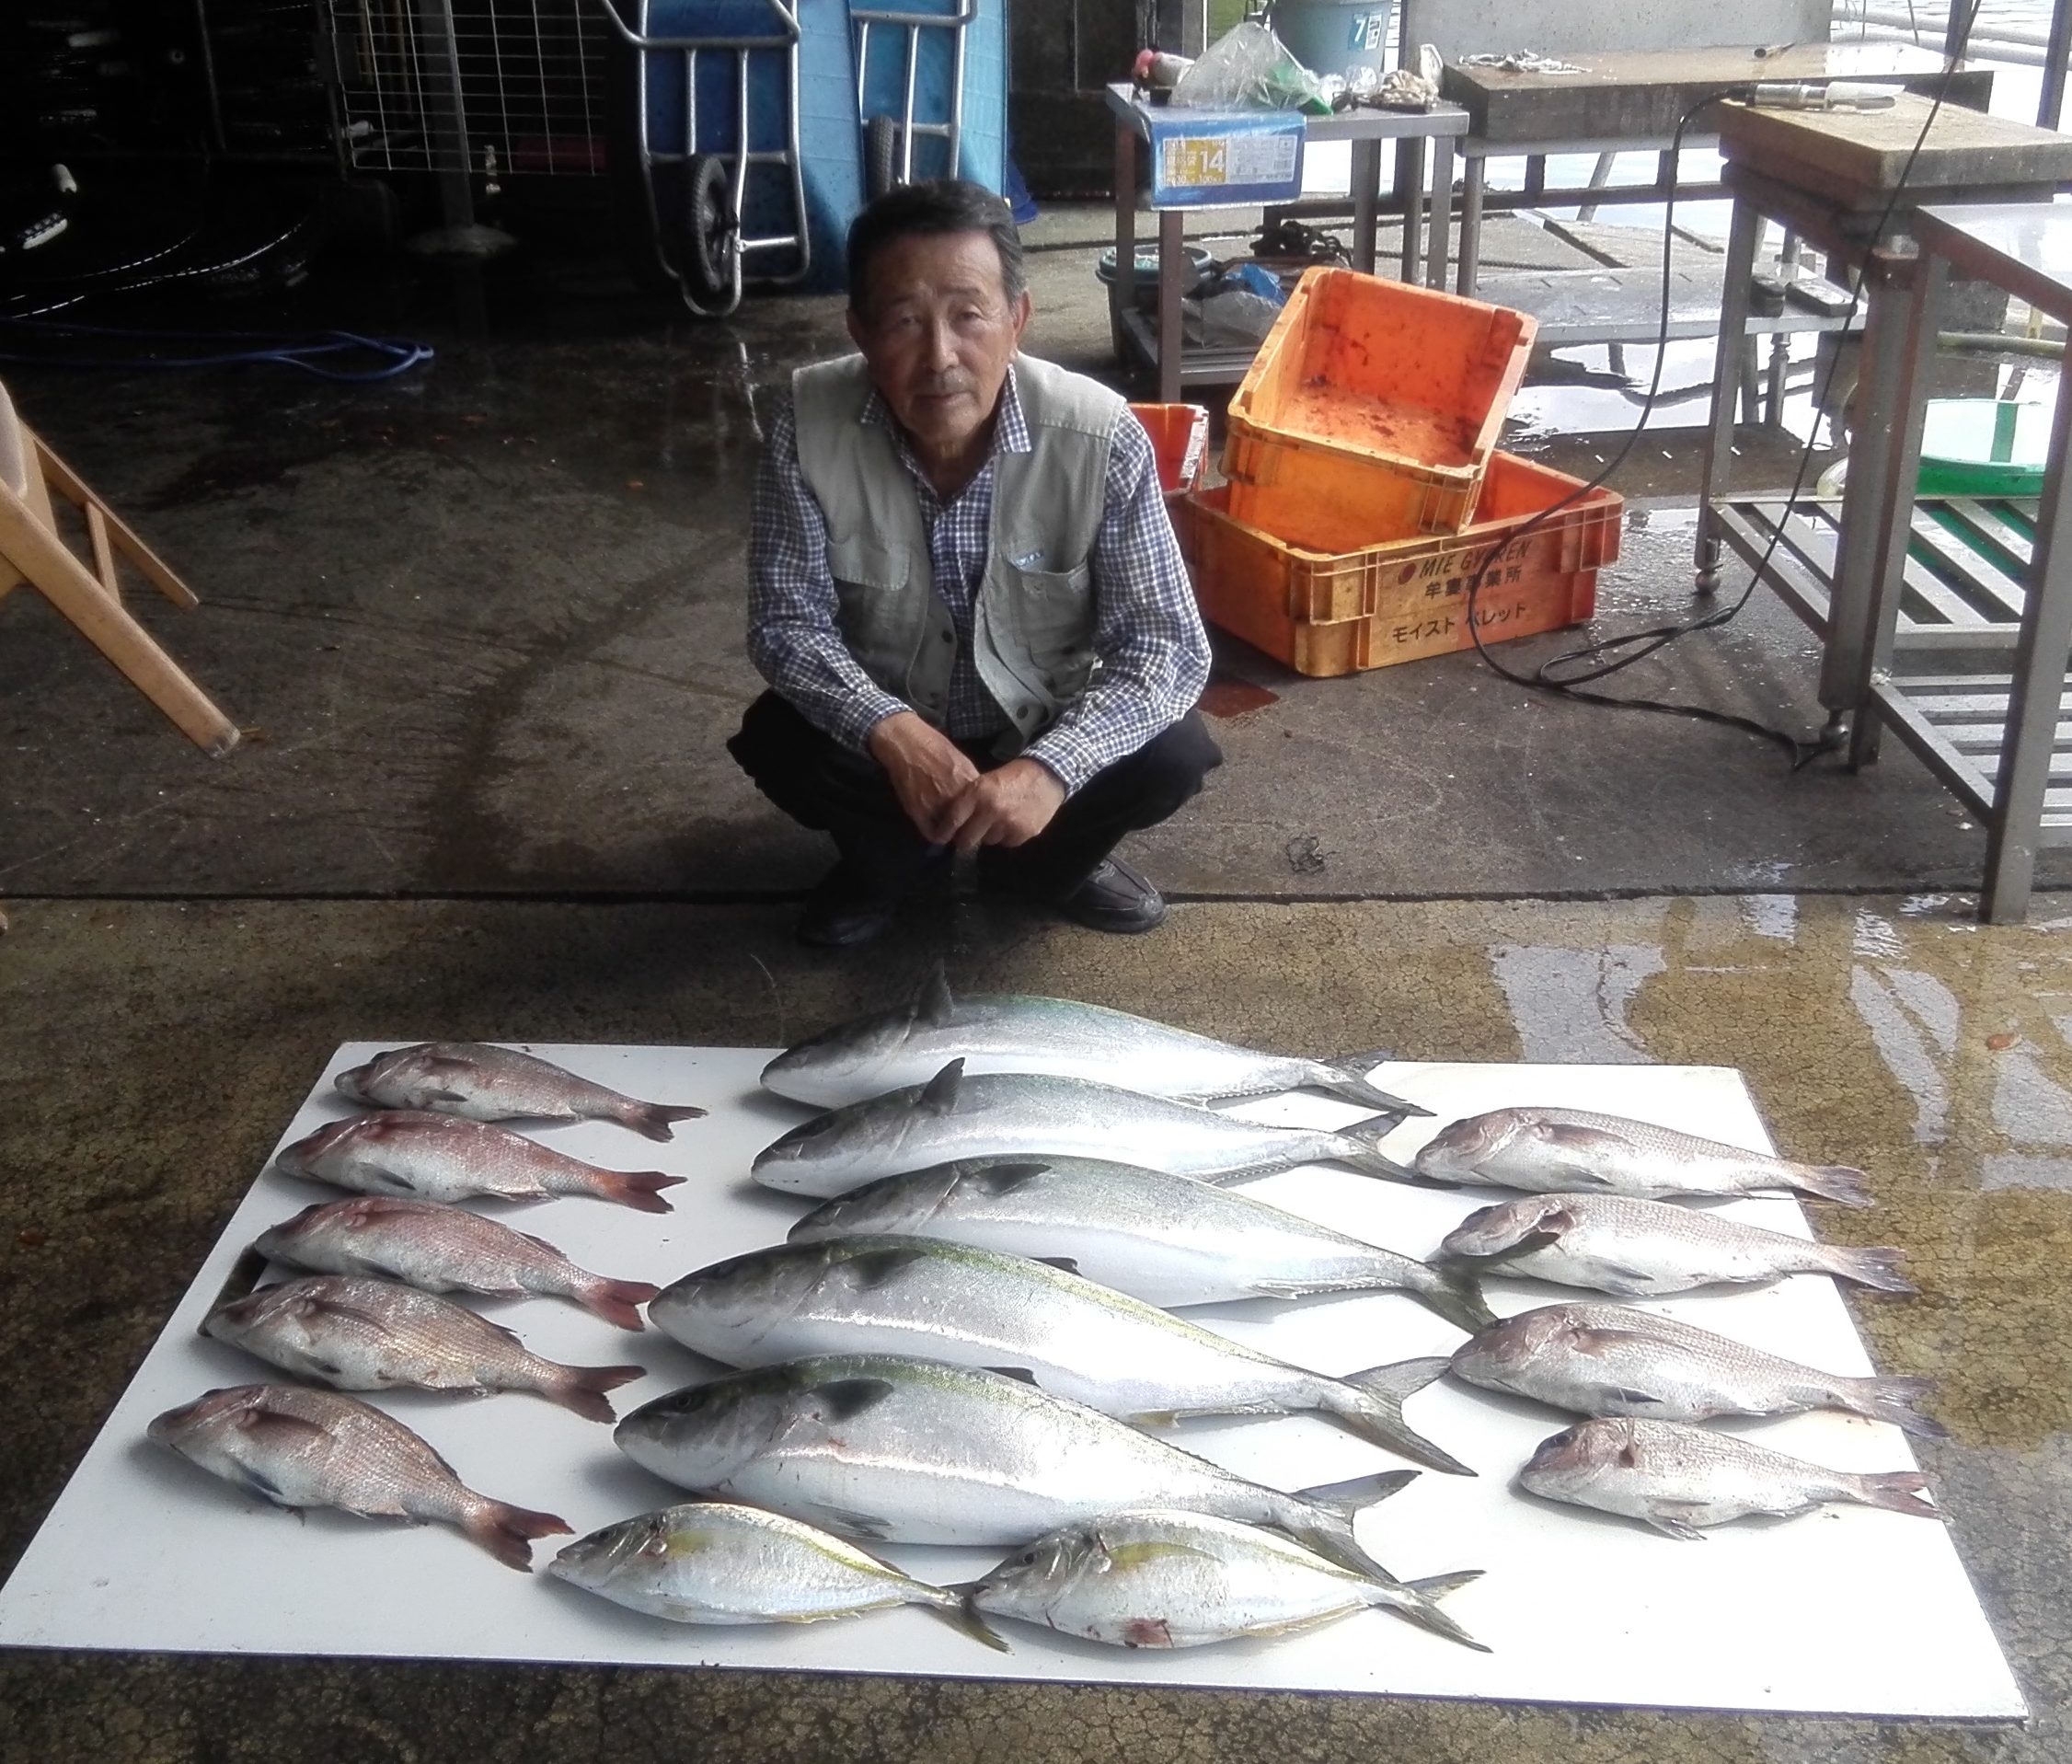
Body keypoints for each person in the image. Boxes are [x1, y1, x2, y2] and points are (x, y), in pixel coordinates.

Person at [730, 178, 1221, 948]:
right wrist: (891, 730)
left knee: (1173, 749)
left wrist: (1053, 767)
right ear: (859, 330)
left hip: (1037, 722)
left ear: (1018, 319)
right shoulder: (806, 424)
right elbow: (787, 624)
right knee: (781, 737)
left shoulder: (1101, 435)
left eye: (969, 315)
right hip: (893, 736)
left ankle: (1047, 868)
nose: (939, 358)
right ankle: (886, 867)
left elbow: (1165, 645)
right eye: (902, 321)